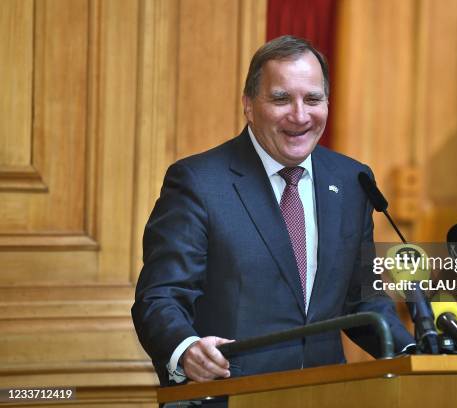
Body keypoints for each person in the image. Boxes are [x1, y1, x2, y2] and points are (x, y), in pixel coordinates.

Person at [132, 35, 415, 390]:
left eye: (313, 99)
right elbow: (160, 297)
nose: (300, 115)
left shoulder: (351, 180)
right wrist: (186, 349)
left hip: (326, 396)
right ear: (248, 105)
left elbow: (361, 300)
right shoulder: (199, 182)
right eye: (281, 99)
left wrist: (415, 352)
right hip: (230, 395)